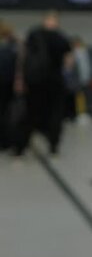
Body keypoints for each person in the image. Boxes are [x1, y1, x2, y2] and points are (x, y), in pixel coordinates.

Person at [15, 11, 71, 156]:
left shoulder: (34, 34)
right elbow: (68, 63)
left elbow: (23, 57)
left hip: (35, 82)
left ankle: (21, 147)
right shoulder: (61, 38)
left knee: (30, 113)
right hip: (55, 82)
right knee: (56, 114)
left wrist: (20, 79)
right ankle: (53, 146)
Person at [0, 20, 20, 150]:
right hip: (8, 83)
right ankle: (6, 141)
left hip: (7, 83)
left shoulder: (12, 46)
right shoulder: (13, 46)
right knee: (6, 112)